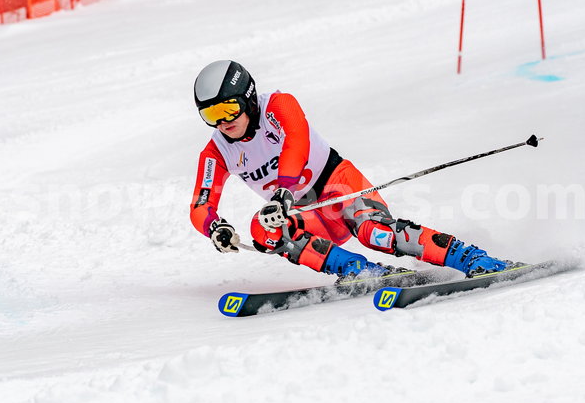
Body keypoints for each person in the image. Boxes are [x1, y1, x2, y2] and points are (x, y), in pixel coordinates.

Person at [189, 59, 515, 279]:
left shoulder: (277, 104)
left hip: (339, 185)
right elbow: (201, 205)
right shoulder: (217, 150)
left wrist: (282, 191)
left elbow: (297, 143)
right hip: (310, 214)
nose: (223, 122)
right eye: (211, 115)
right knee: (262, 228)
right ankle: (359, 270)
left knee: (376, 232)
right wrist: (215, 228)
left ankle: (470, 257)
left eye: (227, 109)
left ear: (246, 99)